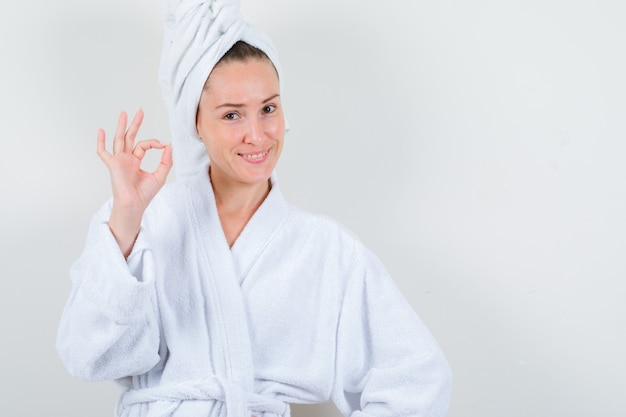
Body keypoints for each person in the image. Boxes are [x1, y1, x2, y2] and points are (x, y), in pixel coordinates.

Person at [56, 1, 452, 416]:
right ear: (195, 124)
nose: (257, 135)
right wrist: (125, 222)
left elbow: (418, 381)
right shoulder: (144, 225)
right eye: (231, 115)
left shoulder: (328, 250)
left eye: (268, 108)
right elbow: (92, 358)